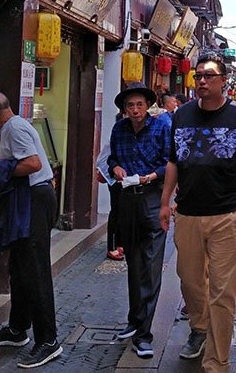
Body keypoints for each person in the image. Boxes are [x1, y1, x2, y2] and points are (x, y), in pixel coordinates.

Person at [160, 51, 236, 373]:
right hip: (187, 213)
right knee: (189, 281)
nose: (201, 81)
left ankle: (217, 362)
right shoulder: (182, 115)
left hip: (227, 214)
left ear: (223, 80)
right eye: (198, 76)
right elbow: (174, 160)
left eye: (208, 76)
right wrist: (165, 202)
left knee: (222, 290)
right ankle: (199, 328)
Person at [0, 91, 62, 369]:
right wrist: (4, 168)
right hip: (30, 199)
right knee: (20, 266)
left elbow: (33, 163)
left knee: (35, 269)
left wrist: (1, 170)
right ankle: (17, 329)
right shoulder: (15, 126)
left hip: (34, 201)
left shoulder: (13, 128)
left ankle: (48, 340)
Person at [107, 82, 170, 359]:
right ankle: (135, 321)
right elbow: (111, 159)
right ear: (124, 108)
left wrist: (151, 177)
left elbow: (170, 163)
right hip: (127, 200)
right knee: (133, 262)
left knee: (151, 266)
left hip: (153, 198)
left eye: (139, 105)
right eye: (130, 105)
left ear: (147, 106)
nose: (134, 109)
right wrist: (115, 167)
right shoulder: (119, 129)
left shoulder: (161, 127)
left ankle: (144, 334)